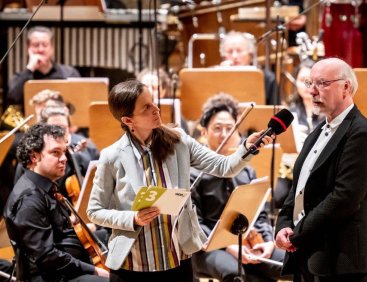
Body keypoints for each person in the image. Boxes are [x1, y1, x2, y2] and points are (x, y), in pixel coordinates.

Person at [86, 80, 273, 281]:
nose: (156, 109)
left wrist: (247, 148)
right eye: (146, 107)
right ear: (128, 120)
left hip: (176, 257)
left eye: (153, 102)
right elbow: (94, 211)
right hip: (133, 263)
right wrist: (132, 219)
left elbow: (224, 167)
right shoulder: (111, 156)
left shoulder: (179, 141)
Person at [274, 57, 367, 282]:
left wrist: (298, 233)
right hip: (307, 253)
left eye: (322, 83)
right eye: (310, 83)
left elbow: (345, 197)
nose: (312, 91)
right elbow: (299, 186)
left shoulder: (361, 132)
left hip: (340, 260)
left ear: (345, 88)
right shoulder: (318, 131)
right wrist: (283, 223)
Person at [191, 93, 287, 282]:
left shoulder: (247, 171)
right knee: (234, 273)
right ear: (204, 133)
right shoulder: (194, 174)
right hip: (208, 248)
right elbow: (196, 225)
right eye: (217, 128)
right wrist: (229, 247)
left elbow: (259, 214)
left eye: (230, 128)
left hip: (249, 243)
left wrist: (267, 241)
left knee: (292, 263)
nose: (224, 134)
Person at [3, 123, 110, 282]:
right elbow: (48, 257)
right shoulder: (28, 199)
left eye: (64, 152)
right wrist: (96, 270)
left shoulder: (45, 185)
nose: (64, 159)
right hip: (54, 277)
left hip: (69, 266)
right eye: (55, 153)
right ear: (34, 157)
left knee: (116, 236)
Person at [275, 58, 324, 208]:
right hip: (292, 170)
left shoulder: (329, 112)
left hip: (319, 171)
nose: (306, 86)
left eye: (311, 81)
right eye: (302, 80)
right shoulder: (289, 111)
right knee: (277, 196)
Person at [7, 26, 81, 112]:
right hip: (31, 124)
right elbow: (13, 99)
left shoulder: (69, 73)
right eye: (35, 45)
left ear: (52, 48)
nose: (40, 49)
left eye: (45, 45)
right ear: (28, 48)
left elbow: (79, 103)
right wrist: (30, 68)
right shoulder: (19, 77)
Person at [219, 31, 280, 105]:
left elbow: (276, 111)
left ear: (250, 55)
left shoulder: (267, 78)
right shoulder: (216, 77)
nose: (234, 56)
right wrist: (221, 75)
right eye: (230, 52)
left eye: (239, 51)